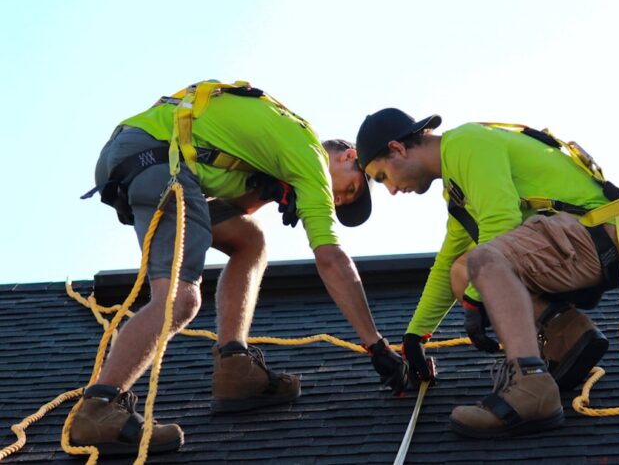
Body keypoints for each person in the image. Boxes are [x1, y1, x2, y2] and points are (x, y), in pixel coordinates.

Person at [69, 81, 406, 456]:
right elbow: (330, 258)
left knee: (250, 241)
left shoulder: (279, 148)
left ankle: (234, 368)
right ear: (347, 157)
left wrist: (266, 193)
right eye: (352, 190)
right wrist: (376, 346)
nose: (338, 200)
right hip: (157, 159)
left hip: (151, 154)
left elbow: (226, 209)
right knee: (181, 299)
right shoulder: (308, 155)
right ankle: (99, 407)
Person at [353, 108, 619, 438]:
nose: (392, 190)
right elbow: (449, 259)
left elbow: (501, 222)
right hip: (586, 241)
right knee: (462, 270)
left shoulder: (466, 142)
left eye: (382, 177)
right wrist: (415, 337)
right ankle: (567, 334)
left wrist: (477, 299)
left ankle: (531, 384)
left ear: (397, 148)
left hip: (597, 235)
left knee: (481, 262)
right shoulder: (458, 187)